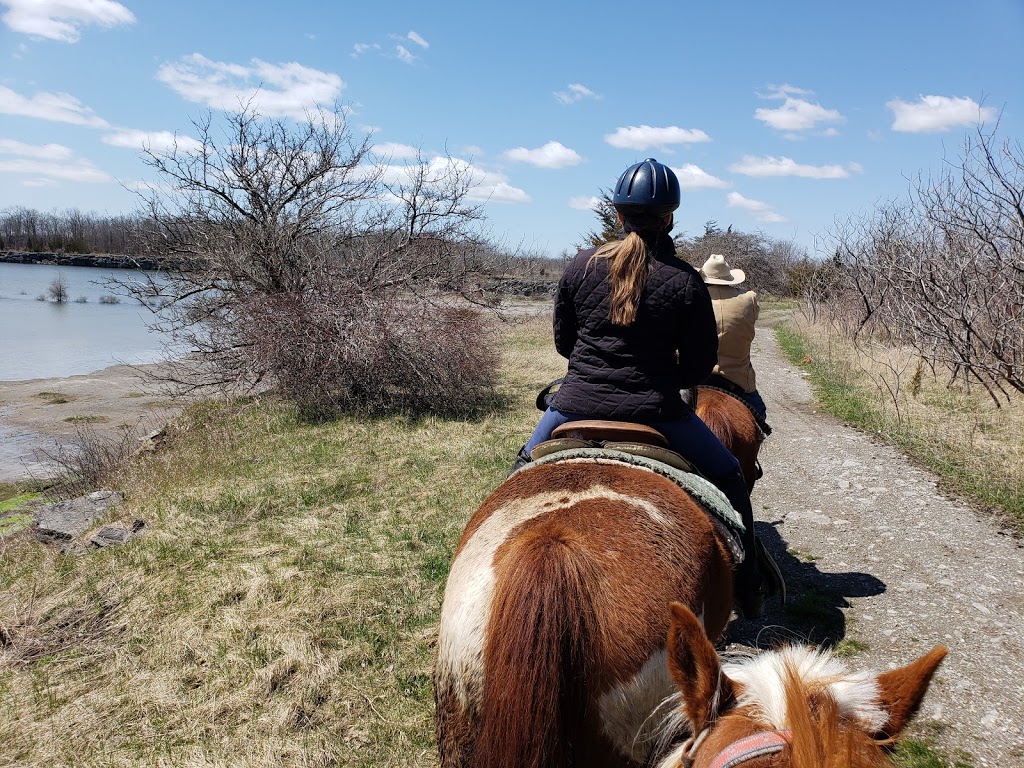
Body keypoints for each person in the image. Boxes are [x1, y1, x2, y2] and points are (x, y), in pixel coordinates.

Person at [512, 158, 781, 618]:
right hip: (657, 413)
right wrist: (660, 376)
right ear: (670, 217)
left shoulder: (580, 266)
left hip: (574, 404)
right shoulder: (684, 280)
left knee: (518, 471)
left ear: (618, 215)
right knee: (731, 478)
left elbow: (564, 343)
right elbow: (699, 367)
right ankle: (748, 583)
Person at [698, 253, 768, 423]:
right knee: (760, 414)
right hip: (736, 379)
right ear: (729, 278)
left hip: (698, 376)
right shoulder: (749, 298)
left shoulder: (693, 296)